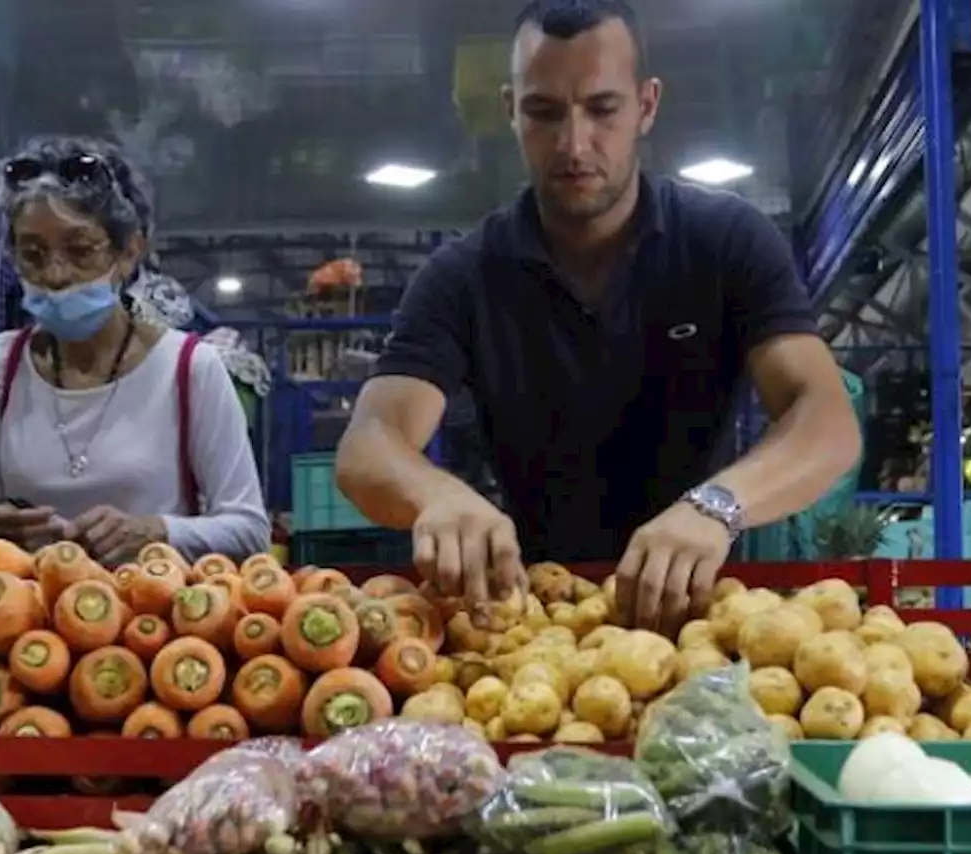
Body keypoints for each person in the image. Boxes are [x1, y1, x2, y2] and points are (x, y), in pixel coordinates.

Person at [336, 0, 861, 633]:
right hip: (531, 626)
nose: (573, 143)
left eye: (602, 109)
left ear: (647, 105)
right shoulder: (463, 277)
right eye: (544, 111)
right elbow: (368, 443)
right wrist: (434, 493)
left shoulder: (726, 242)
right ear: (510, 111)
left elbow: (827, 420)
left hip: (703, 617)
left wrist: (716, 506)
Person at [0, 136, 270, 566]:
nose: (55, 274)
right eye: (33, 254)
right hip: (26, 623)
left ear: (128, 251)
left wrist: (159, 532)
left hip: (150, 621)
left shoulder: (189, 369)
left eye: (80, 251)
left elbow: (250, 531)